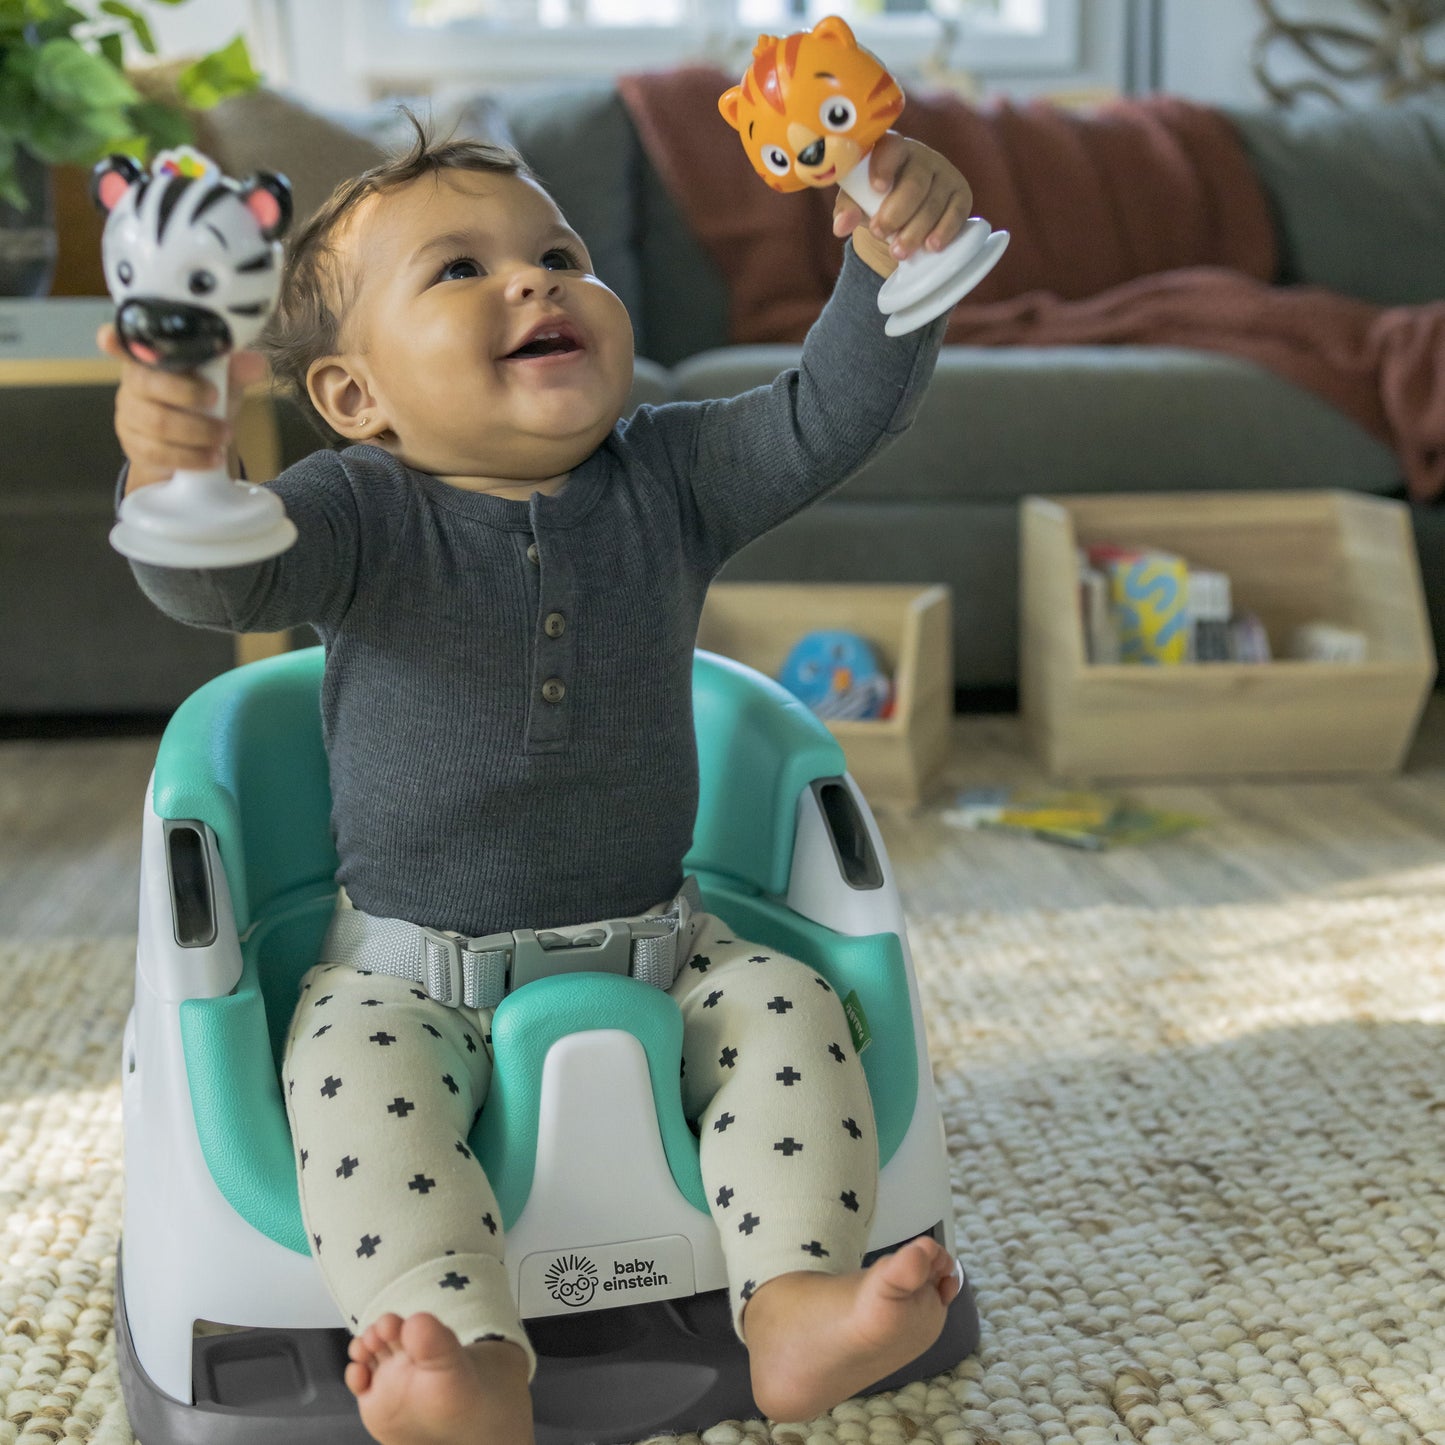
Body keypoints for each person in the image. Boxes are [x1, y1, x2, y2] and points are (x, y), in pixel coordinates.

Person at [104, 116, 972, 1444]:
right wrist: (175, 466)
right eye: (457, 269)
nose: (535, 279)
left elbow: (831, 412)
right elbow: (214, 574)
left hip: (667, 948)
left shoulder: (672, 479)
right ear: (354, 397)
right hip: (404, 973)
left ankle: (794, 1302)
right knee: (347, 1099)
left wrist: (890, 256)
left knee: (794, 1015)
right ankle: (460, 1360)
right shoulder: (356, 512)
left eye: (558, 250)